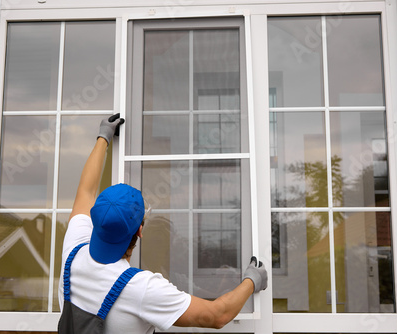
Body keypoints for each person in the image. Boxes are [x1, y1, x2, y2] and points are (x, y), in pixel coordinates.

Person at [58, 117, 268, 333]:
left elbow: (86, 191)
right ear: (139, 231)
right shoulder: (141, 289)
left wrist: (103, 137)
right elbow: (217, 315)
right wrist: (252, 281)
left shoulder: (73, 253)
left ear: (94, 219)